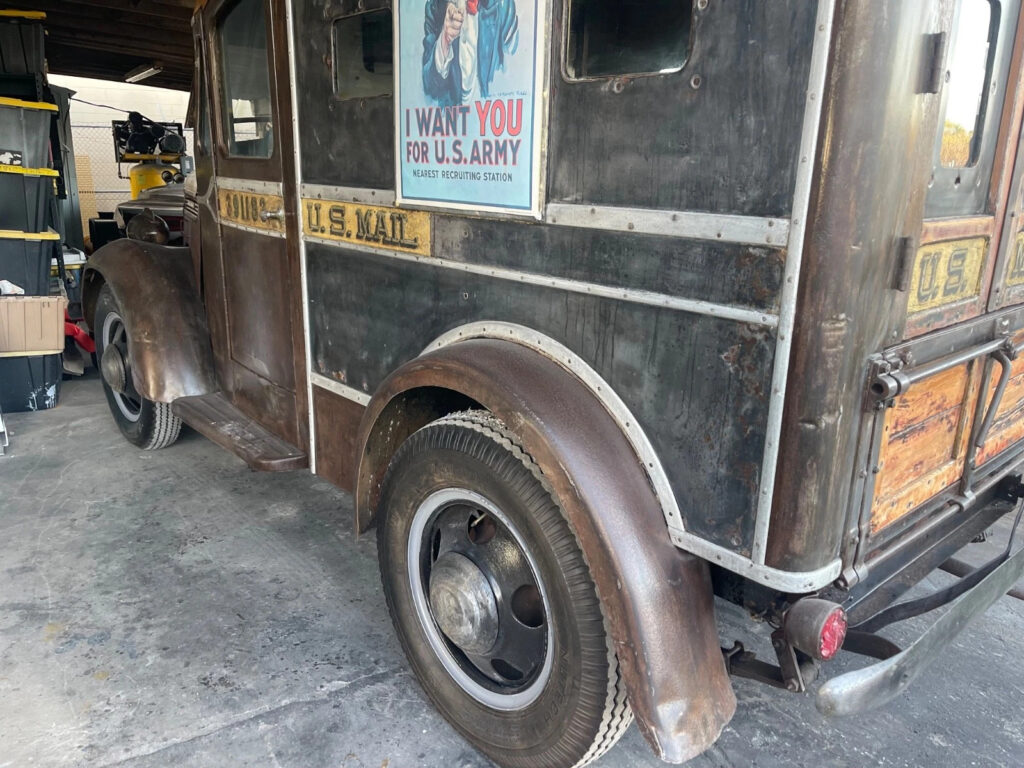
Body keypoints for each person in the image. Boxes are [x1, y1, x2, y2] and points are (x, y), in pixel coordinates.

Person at [422, 0, 519, 106]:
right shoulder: (434, 6)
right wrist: (445, 41)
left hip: (492, 111)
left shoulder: (502, 4)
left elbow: (514, 72)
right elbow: (430, 87)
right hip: (453, 118)